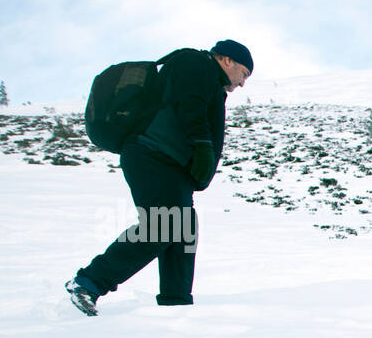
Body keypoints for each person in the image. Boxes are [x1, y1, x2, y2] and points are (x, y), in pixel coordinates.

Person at [65, 40, 253, 315]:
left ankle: (175, 305)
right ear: (227, 60)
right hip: (150, 153)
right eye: (244, 73)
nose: (243, 83)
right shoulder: (196, 63)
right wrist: (202, 147)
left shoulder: (210, 80)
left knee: (184, 227)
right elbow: (190, 105)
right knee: (164, 225)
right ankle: (88, 282)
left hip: (172, 164)